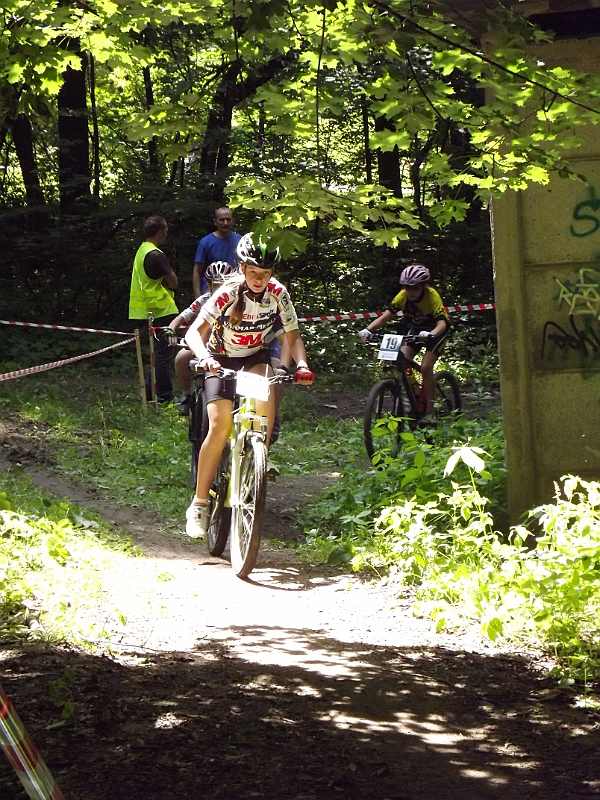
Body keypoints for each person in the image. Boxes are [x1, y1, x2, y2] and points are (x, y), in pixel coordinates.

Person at [183, 233, 314, 538]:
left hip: (254, 357)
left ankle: (255, 467)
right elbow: (193, 333)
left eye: (265, 273)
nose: (258, 279)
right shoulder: (227, 293)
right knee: (220, 425)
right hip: (219, 359)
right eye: (253, 272)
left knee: (263, 417)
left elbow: (292, 336)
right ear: (242, 268)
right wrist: (204, 358)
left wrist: (302, 364)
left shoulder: (278, 293)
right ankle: (199, 504)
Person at [358, 264, 450, 426]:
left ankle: (430, 412)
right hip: (416, 330)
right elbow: (385, 317)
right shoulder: (402, 296)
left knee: (426, 367)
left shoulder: (432, 296)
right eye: (408, 288)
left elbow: (442, 323)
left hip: (436, 331)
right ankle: (414, 396)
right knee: (401, 359)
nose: (411, 292)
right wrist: (368, 329)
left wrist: (432, 334)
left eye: (415, 288)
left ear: (423, 286)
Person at [164, 261, 239, 415]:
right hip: (204, 345)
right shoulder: (204, 300)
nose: (220, 288)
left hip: (230, 345)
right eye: (216, 285)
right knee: (180, 359)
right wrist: (171, 329)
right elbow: (183, 316)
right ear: (209, 285)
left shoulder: (239, 299)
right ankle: (187, 395)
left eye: (223, 284)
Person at [129, 215, 179, 402]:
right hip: (162, 309)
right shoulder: (156, 255)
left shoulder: (141, 251)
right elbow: (173, 283)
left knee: (157, 354)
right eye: (165, 230)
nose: (167, 234)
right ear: (159, 232)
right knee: (164, 356)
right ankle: (165, 396)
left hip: (148, 309)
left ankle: (150, 391)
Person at [192, 207, 241, 297]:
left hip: (234, 293)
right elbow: (197, 270)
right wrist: (197, 296)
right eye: (222, 220)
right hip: (210, 293)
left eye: (228, 220)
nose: (225, 223)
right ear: (215, 222)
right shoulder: (206, 242)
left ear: (233, 221)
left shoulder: (240, 241)